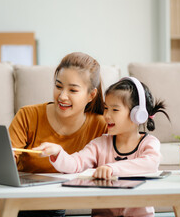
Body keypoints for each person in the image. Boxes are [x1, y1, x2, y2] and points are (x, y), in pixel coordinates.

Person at [0, 52, 108, 217]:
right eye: (58, 86)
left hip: (50, 204)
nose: (62, 96)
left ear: (91, 95)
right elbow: (6, 161)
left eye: (72, 90)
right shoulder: (28, 115)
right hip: (14, 195)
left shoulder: (100, 125)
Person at [34, 77, 170, 217]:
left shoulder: (149, 143)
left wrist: (112, 168)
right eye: (106, 108)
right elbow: (75, 163)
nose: (106, 115)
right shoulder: (100, 144)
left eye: (115, 110)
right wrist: (58, 153)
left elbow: (150, 163)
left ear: (137, 115)